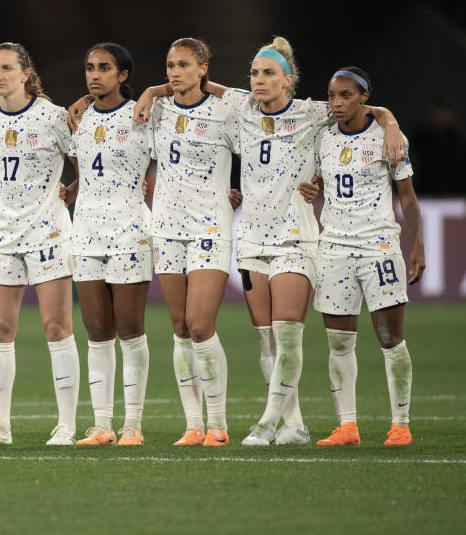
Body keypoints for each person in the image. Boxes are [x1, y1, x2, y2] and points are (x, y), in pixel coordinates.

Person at [131, 36, 407, 446]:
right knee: (266, 339)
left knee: (288, 333)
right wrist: (154, 89)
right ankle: (293, 424)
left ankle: (266, 422)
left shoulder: (313, 113)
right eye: (255, 74)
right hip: (252, 239)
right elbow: (201, 89)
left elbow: (363, 107)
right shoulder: (241, 107)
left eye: (269, 74)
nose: (259, 81)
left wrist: (390, 123)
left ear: (287, 79)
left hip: (296, 239)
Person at [298, 67, 423, 446]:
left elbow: (408, 198)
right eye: (332, 95)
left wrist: (418, 244)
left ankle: (400, 425)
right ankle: (347, 427)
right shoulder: (322, 139)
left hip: (378, 246)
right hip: (333, 246)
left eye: (346, 95)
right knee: (338, 342)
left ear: (364, 96)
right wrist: (313, 186)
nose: (336, 103)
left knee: (390, 338)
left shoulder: (390, 139)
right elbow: (322, 180)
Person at [0, 42, 79, 446]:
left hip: (47, 230)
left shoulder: (53, 117)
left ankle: (66, 425)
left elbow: (82, 158)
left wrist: (73, 188)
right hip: (0, 232)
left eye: (7, 68)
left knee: (56, 326)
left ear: (25, 74)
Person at [147, 39, 236, 446]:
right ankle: (192, 425)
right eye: (169, 66)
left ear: (204, 68)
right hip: (166, 226)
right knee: (180, 327)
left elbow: (260, 142)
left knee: (201, 324)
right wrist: (151, 92)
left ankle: (217, 424)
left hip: (209, 227)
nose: (174, 72)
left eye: (184, 64)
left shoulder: (225, 110)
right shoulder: (157, 112)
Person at [62, 43, 152, 446]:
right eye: (89, 68)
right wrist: (75, 187)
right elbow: (87, 171)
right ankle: (102, 425)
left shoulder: (144, 116)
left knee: (130, 328)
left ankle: (132, 425)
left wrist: (154, 92)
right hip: (86, 232)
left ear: (123, 75)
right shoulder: (77, 120)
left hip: (130, 230)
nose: (94, 75)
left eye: (104, 68)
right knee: (97, 330)